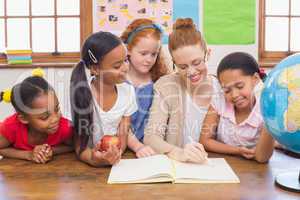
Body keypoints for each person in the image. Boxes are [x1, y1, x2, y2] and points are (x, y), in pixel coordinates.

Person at [144, 18, 219, 163]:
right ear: (174, 63)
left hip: (215, 166)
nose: (191, 72)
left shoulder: (222, 88)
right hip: (178, 167)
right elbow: (151, 137)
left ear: (207, 54)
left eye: (196, 62)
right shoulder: (166, 87)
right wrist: (177, 152)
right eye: (182, 67)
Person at [70, 31, 138, 167]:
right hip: (87, 163)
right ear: (95, 69)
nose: (125, 68)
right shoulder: (82, 93)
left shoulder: (128, 91)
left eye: (126, 60)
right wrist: (93, 159)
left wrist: (115, 153)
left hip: (116, 161)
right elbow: (80, 148)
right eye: (117, 66)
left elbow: (122, 137)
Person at [200, 52, 274, 163]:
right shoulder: (219, 102)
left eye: (240, 86)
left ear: (255, 79)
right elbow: (204, 141)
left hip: (253, 171)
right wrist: (238, 151)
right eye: (227, 90)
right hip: (222, 164)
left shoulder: (265, 110)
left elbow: (261, 158)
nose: (234, 95)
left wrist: (270, 122)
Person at [0, 68, 73, 163]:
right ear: (23, 118)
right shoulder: (10, 127)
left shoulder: (64, 127)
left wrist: (51, 151)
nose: (55, 119)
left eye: (57, 109)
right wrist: (29, 154)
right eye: (45, 117)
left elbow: (75, 146)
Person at [120, 18, 169, 158]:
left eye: (154, 54)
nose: (149, 59)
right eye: (143, 53)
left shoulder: (158, 80)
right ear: (128, 49)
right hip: (124, 147)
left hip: (151, 148)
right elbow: (119, 123)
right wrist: (137, 146)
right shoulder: (119, 81)